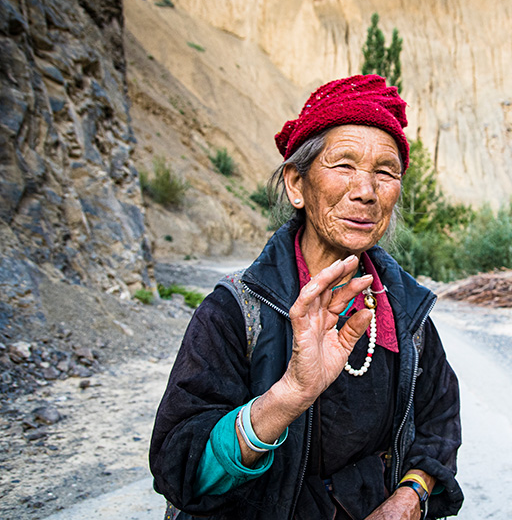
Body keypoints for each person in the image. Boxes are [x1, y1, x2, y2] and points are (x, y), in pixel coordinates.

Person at [149, 74, 463, 520]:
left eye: (385, 172)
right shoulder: (236, 311)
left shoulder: (406, 313)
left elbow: (439, 423)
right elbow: (179, 470)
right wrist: (289, 395)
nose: (366, 191)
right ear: (296, 184)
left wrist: (410, 496)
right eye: (344, 165)